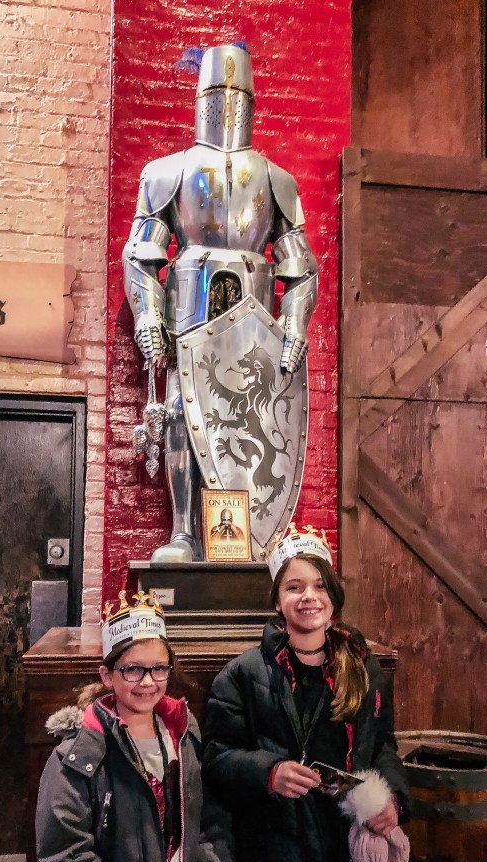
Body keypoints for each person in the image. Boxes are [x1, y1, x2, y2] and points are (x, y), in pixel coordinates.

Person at [202, 524, 412, 862]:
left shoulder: (364, 669)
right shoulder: (243, 676)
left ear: (333, 598)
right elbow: (215, 760)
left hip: (345, 853)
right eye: (294, 587)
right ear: (277, 600)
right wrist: (268, 772)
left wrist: (393, 799)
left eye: (318, 586)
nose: (308, 597)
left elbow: (383, 747)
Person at [122, 43, 318, 562]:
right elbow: (141, 257)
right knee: (186, 416)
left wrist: (294, 325)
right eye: (219, 92)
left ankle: (236, 537)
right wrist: (148, 315)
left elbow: (300, 269)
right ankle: (185, 531)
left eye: (235, 93)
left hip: (255, 328)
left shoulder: (278, 181)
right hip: (190, 311)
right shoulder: (167, 172)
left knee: (249, 423)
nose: (227, 103)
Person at [36, 591, 232, 862]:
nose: (147, 681)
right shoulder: (79, 755)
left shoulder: (184, 738)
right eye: (132, 669)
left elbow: (209, 825)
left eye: (159, 668)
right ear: (107, 675)